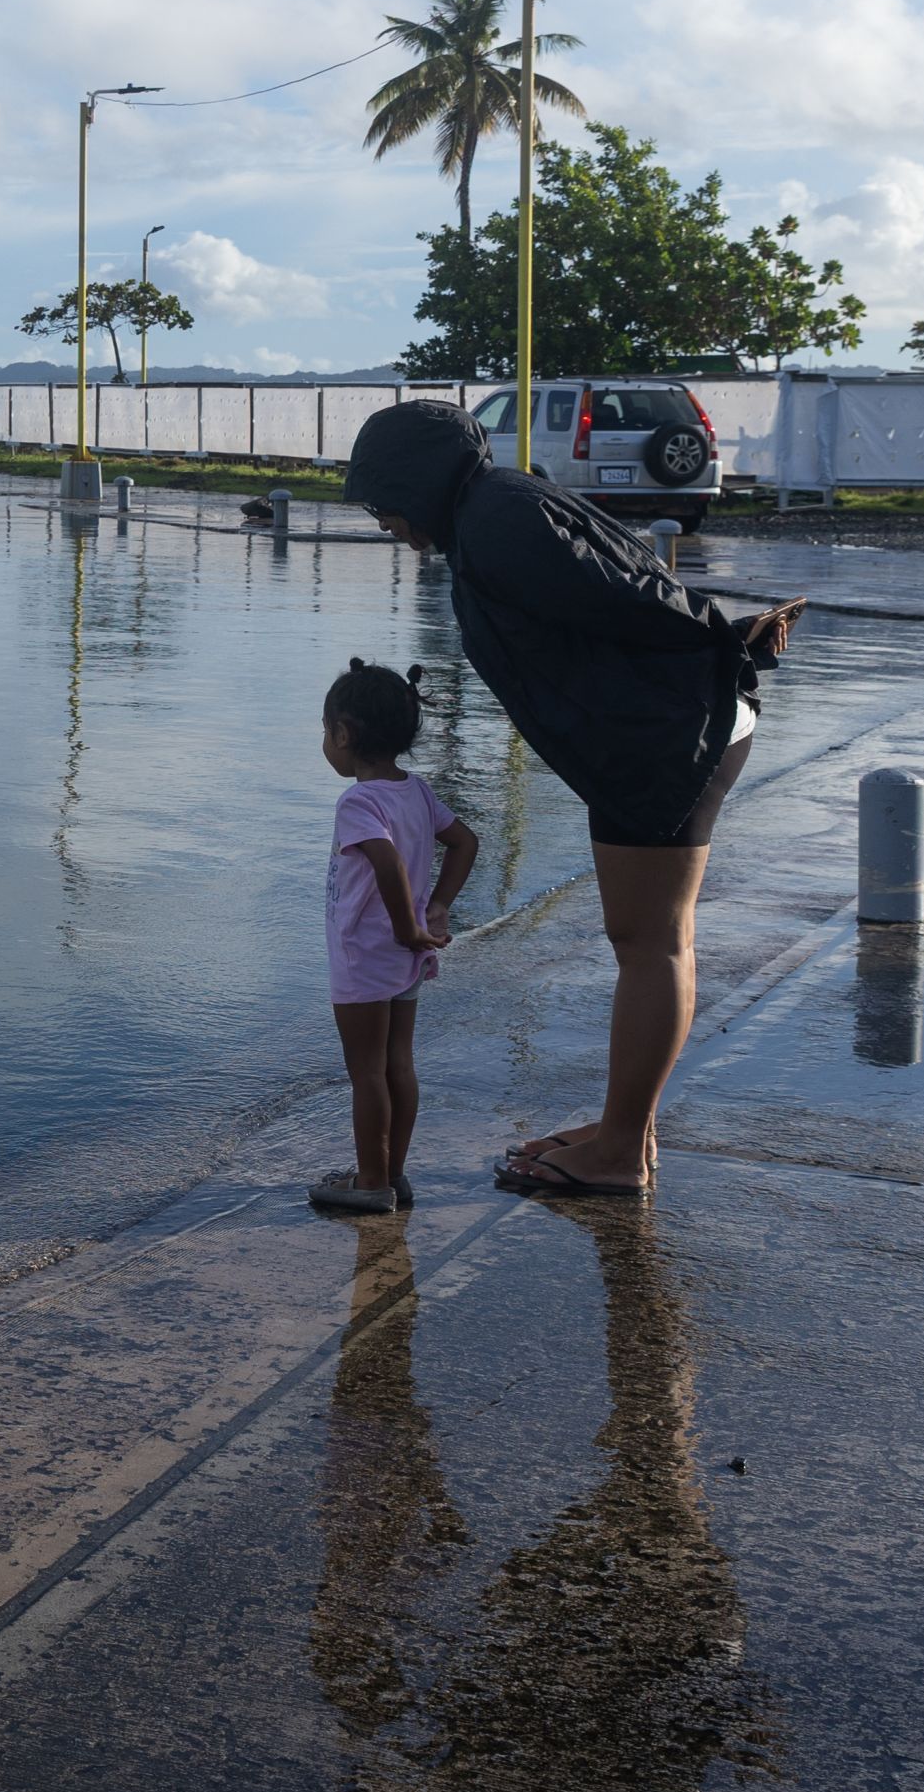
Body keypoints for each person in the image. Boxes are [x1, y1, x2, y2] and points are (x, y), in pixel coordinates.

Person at [340, 399, 801, 1198]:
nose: (385, 522)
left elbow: (621, 595)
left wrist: (722, 635)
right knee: (657, 941)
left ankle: (621, 1148)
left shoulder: (496, 523)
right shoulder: (499, 505)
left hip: (663, 738)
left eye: (383, 501)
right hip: (659, 732)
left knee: (649, 943)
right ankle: (630, 1129)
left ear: (413, 479)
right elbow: (624, 578)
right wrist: (722, 637)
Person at [310, 659, 475, 1219]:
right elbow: (465, 843)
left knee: (366, 1072)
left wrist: (408, 924)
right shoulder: (417, 792)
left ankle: (371, 1182)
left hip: (365, 955)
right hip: (407, 955)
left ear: (344, 735)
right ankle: (392, 1172)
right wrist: (436, 909)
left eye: (324, 730)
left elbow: (381, 858)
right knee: (397, 1062)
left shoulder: (359, 802)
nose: (324, 742)